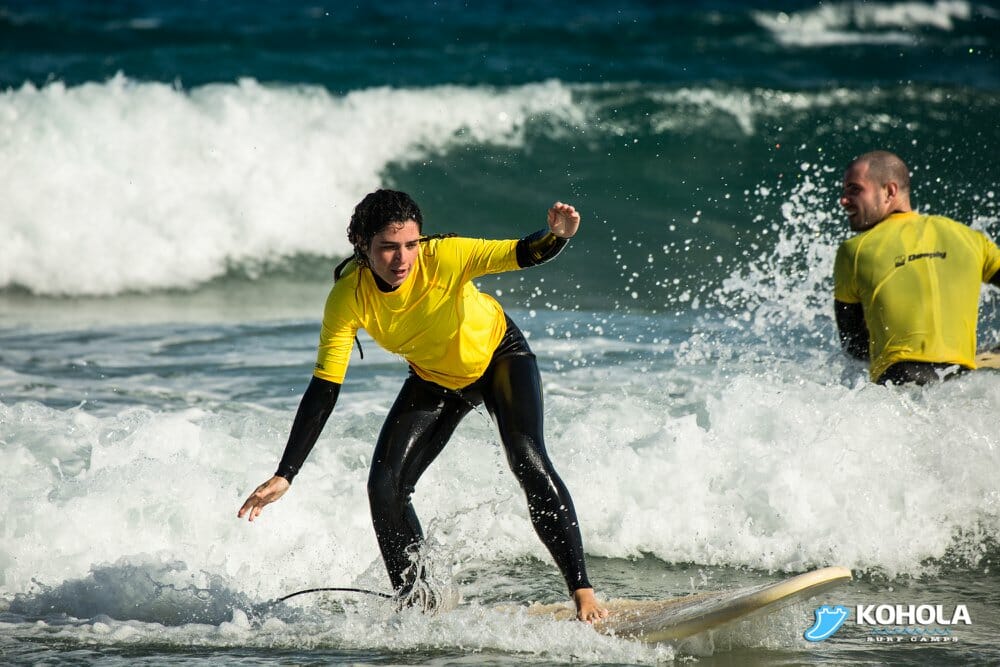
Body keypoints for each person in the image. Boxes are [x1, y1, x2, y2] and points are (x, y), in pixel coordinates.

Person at [238, 189, 607, 622]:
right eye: (388, 248)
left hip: (498, 356)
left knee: (527, 458)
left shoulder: (444, 256)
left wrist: (557, 236)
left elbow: (523, 253)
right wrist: (287, 473)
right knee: (384, 487)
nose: (402, 258)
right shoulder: (348, 297)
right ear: (362, 246)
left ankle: (583, 592)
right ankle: (419, 602)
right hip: (434, 379)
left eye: (410, 244)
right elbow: (324, 388)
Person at [833, 150, 1000, 385]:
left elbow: (854, 346)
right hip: (960, 383)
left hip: (899, 382)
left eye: (854, 189)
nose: (843, 199)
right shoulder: (969, 237)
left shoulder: (854, 250)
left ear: (889, 191)